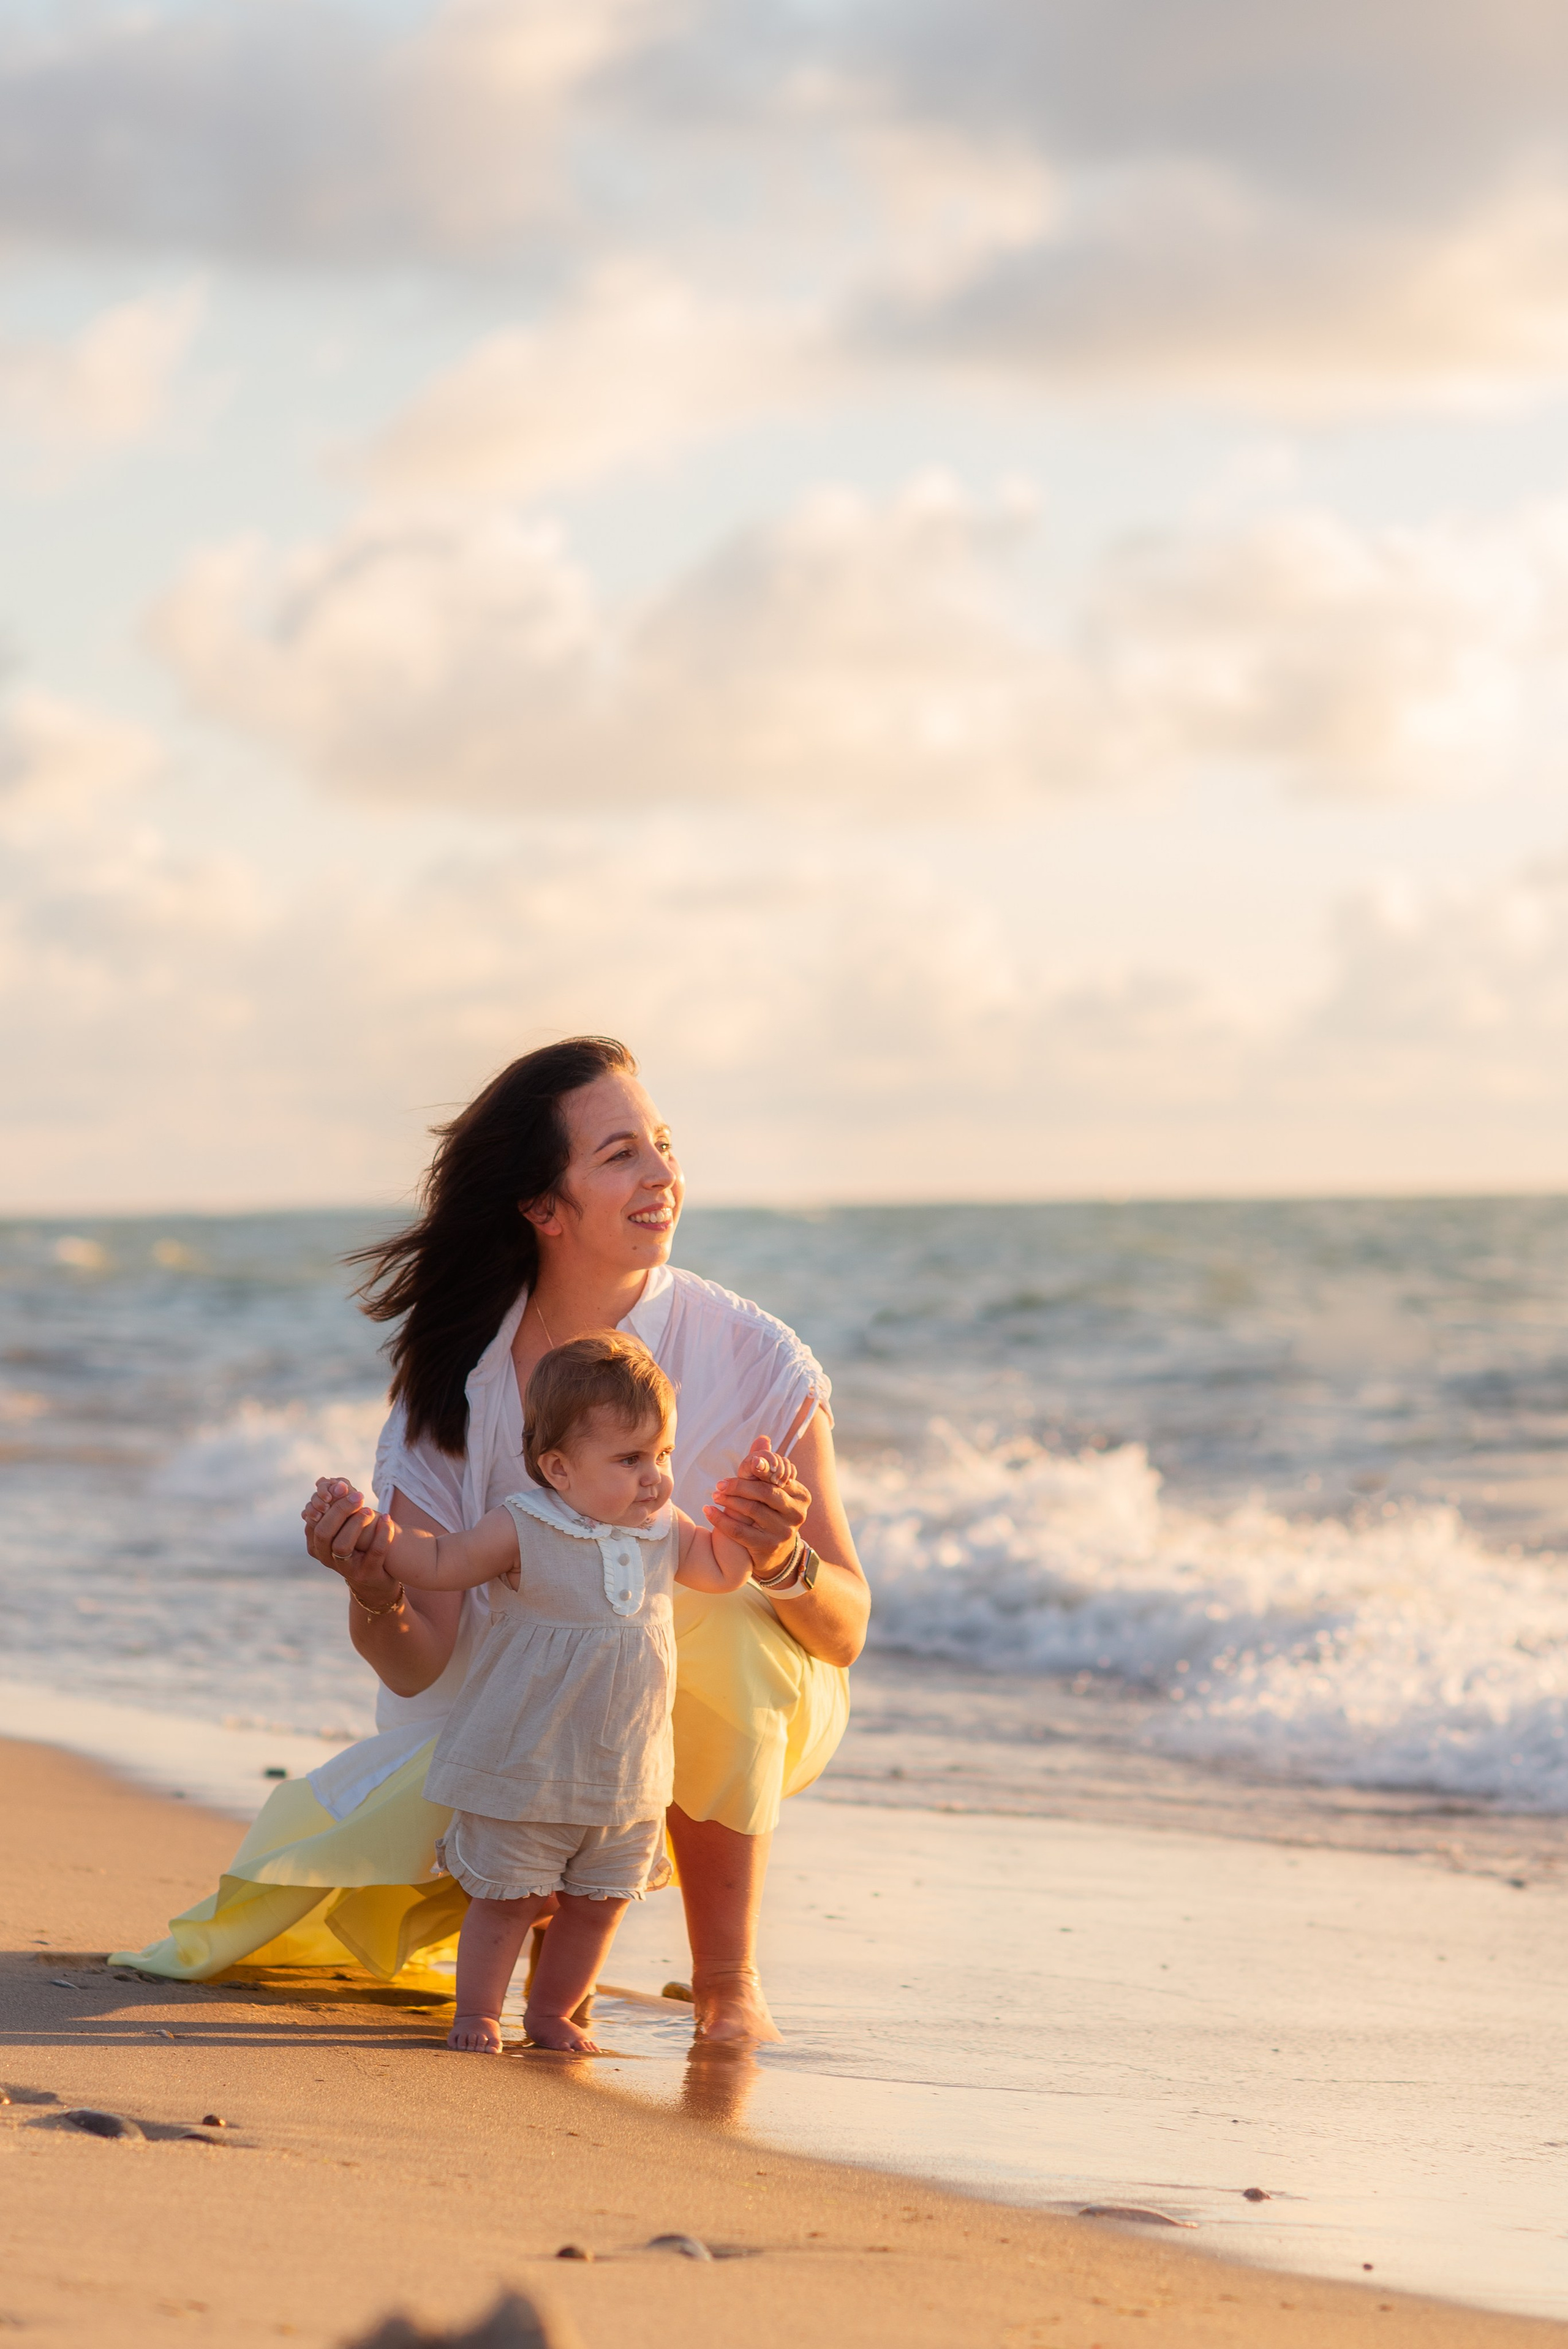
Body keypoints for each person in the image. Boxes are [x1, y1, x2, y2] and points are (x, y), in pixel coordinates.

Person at [117, 1036, 869, 2042]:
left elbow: (845, 1630)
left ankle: (727, 1980)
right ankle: (559, 1951)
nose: (663, 1175)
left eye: (663, 1144)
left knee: (709, 1617)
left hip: (751, 1700)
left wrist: (781, 1561)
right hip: (529, 1709)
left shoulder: (753, 1354)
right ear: (542, 1208)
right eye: (621, 1155)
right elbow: (423, 1660)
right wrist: (370, 1582)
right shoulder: (453, 1388)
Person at [316, 1333, 780, 2055]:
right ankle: (478, 2011)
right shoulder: (526, 1523)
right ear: (559, 1468)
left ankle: (552, 2013)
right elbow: (440, 1561)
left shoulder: (664, 1527)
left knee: (598, 1905)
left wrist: (760, 1522)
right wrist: (376, 1537)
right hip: (527, 1760)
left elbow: (722, 1570)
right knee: (509, 1899)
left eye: (661, 1455)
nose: (655, 1477)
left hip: (625, 1771)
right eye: (629, 1460)